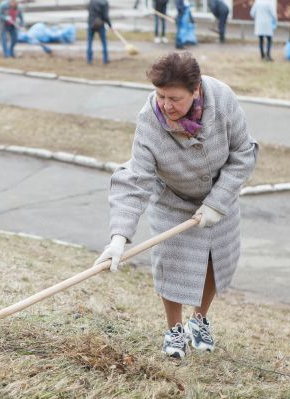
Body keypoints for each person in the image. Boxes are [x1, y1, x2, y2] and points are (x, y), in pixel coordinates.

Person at [94, 52, 258, 359]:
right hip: (172, 198)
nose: (166, 105)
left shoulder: (221, 99)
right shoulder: (150, 122)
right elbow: (136, 179)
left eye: (175, 98)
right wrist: (119, 238)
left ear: (196, 90)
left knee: (215, 260)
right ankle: (174, 330)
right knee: (172, 265)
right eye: (160, 95)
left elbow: (244, 154)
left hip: (220, 196)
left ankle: (199, 320)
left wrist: (217, 203)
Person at [87, 0, 112, 65]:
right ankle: (105, 59)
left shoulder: (91, 1)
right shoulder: (104, 2)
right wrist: (110, 25)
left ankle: (89, 59)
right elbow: (105, 16)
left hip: (91, 23)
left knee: (90, 42)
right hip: (100, 24)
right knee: (104, 42)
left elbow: (89, 11)